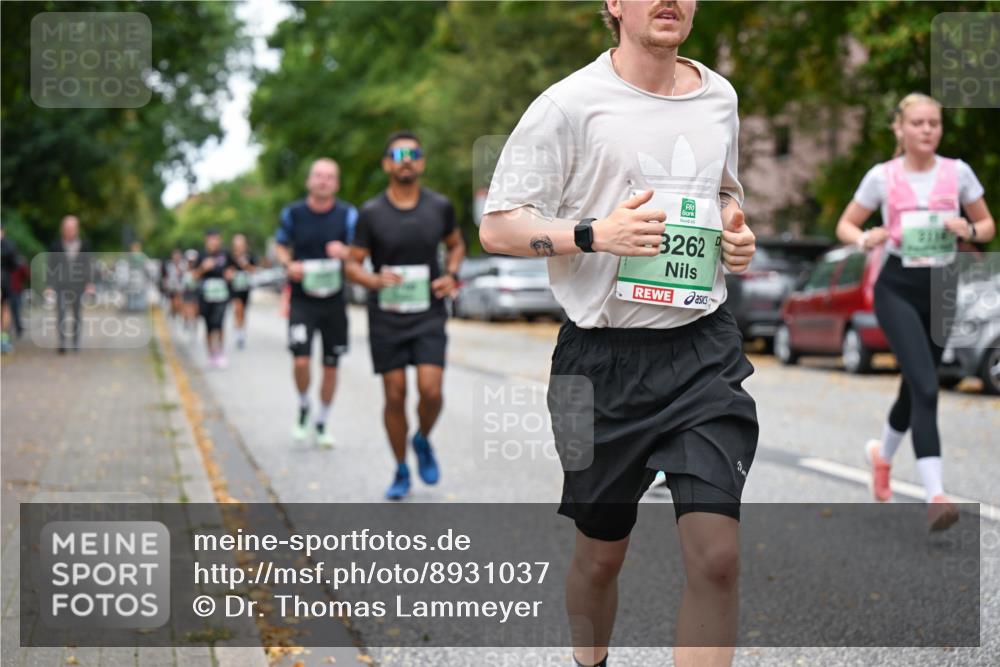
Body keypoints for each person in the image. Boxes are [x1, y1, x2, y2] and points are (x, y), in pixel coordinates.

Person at [479, 2, 757, 665]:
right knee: (600, 555)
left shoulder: (719, 96)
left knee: (717, 557)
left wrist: (736, 231)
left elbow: (722, 195)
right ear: (613, 3)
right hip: (599, 360)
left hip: (702, 351)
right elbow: (498, 226)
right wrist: (593, 234)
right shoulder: (568, 105)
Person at [835, 92, 995, 531]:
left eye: (934, 124)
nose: (928, 130)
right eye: (919, 123)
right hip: (897, 289)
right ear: (900, 130)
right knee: (927, 386)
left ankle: (881, 457)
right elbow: (846, 225)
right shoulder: (882, 177)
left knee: (915, 385)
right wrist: (865, 238)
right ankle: (935, 495)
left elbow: (987, 225)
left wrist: (968, 228)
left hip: (942, 288)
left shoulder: (957, 173)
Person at [346, 131, 465, 500]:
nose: (406, 159)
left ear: (422, 162)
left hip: (428, 312)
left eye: (413, 153)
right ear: (386, 164)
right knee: (394, 395)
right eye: (398, 154)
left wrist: (452, 275)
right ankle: (400, 468)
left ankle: (422, 438)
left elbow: (456, 244)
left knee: (431, 391)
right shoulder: (371, 213)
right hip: (386, 316)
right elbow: (352, 264)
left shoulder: (439, 207)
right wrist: (373, 279)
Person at [275, 158, 357, 448]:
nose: (323, 181)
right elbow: (280, 245)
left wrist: (345, 252)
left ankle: (322, 420)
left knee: (331, 365)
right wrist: (288, 264)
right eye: (318, 176)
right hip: (302, 299)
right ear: (310, 180)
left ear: (336, 183)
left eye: (329, 177)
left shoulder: (348, 214)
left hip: (334, 301)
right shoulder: (294, 213)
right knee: (301, 360)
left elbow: (358, 251)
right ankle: (303, 405)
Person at [46, 215, 95, 353]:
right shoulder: (56, 245)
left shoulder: (84, 245)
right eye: (67, 228)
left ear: (77, 229)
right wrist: (49, 286)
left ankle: (75, 341)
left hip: (78, 286)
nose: (69, 230)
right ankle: (62, 341)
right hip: (61, 285)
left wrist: (89, 283)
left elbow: (88, 265)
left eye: (72, 228)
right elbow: (51, 267)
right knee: (61, 314)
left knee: (76, 315)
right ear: (63, 229)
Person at [193, 229, 235, 369]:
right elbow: (194, 276)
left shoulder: (225, 254)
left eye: (217, 239)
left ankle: (220, 353)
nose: (215, 242)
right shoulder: (201, 255)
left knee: (219, 323)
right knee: (209, 326)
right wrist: (203, 268)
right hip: (205, 295)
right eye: (212, 239)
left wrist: (230, 274)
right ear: (206, 240)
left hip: (221, 295)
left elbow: (232, 269)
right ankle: (211, 355)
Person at [228, 233, 257, 349]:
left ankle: (241, 331)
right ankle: (237, 329)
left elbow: (254, 270)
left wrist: (245, 265)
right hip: (234, 287)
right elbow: (226, 270)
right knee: (237, 307)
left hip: (245, 287)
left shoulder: (250, 256)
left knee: (243, 311)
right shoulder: (230, 256)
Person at [1, 226, 19, 354]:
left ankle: (4, 339)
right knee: (5, 308)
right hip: (4, 279)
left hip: (4, 281)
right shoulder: (8, 245)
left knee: (5, 308)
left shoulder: (8, 245)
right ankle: (3, 338)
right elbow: (15, 264)